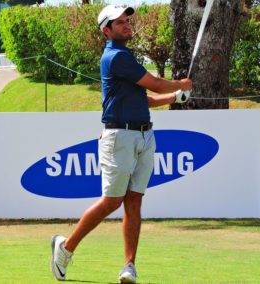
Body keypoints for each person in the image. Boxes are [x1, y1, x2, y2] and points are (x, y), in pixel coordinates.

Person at [50, 5, 192, 284]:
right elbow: (154, 84)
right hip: (119, 137)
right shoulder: (115, 57)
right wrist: (181, 85)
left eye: (127, 20)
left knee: (135, 201)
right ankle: (65, 249)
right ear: (107, 30)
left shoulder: (127, 56)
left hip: (144, 136)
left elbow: (146, 100)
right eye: (119, 23)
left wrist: (175, 97)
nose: (126, 25)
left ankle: (129, 267)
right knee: (112, 201)